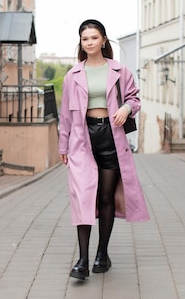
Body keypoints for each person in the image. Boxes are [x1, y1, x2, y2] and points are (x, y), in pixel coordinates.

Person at [58, 19, 150, 280]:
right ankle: (82, 261)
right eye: (85, 39)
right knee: (83, 198)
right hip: (81, 138)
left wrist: (125, 108)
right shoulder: (72, 75)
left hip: (111, 137)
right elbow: (65, 114)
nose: (89, 43)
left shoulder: (120, 71)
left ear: (104, 40)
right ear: (81, 43)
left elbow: (134, 98)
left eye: (94, 38)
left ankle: (102, 254)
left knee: (106, 197)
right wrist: (63, 144)